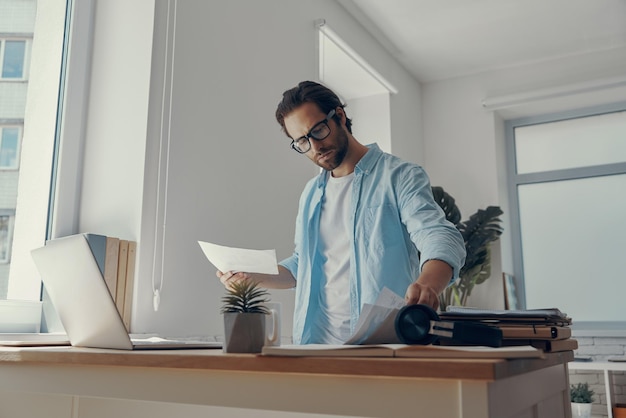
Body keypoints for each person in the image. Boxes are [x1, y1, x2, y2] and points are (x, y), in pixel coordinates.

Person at [217, 81, 465, 345]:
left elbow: (437, 234)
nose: (315, 147)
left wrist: (428, 283)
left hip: (381, 345)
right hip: (315, 346)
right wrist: (252, 276)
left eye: (318, 131)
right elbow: (303, 264)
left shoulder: (399, 176)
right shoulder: (311, 194)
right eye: (302, 141)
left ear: (339, 116)